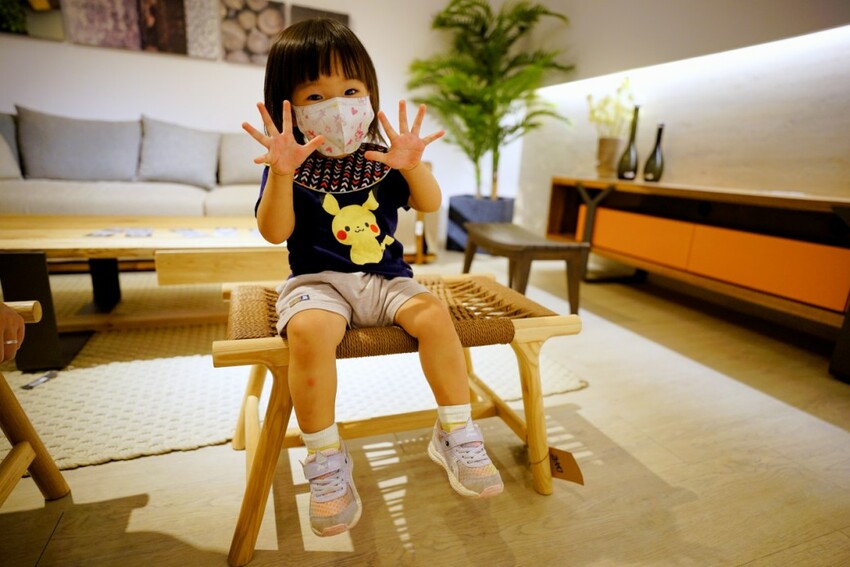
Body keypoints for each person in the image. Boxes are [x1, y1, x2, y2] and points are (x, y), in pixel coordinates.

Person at [242, 18, 503, 537]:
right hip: (317, 282)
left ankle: (456, 431)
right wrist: (282, 174)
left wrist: (413, 166)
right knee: (308, 333)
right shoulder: (289, 162)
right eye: (316, 95)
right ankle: (325, 457)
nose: (338, 106)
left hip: (387, 279)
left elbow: (429, 204)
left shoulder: (382, 156)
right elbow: (274, 232)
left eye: (350, 90)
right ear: (288, 105)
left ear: (369, 93)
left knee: (436, 315)